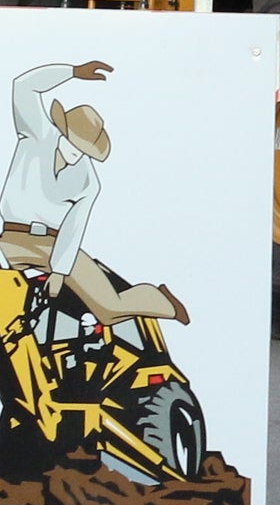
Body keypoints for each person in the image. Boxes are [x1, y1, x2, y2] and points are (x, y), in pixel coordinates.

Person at [5, 59, 186, 327]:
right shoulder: (37, 134)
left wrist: (59, 270)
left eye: (85, 149)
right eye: (74, 142)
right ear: (62, 132)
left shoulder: (88, 180)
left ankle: (161, 302)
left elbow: (73, 227)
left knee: (109, 309)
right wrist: (73, 72)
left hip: (53, 245)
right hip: (10, 239)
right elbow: (24, 86)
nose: (77, 153)